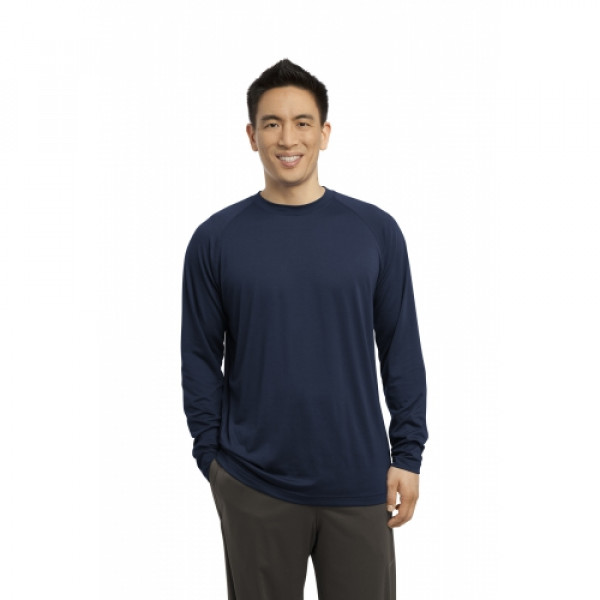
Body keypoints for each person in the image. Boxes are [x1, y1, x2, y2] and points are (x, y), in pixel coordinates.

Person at [180, 58, 428, 600]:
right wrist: (213, 461)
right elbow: (199, 357)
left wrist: (407, 455)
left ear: (325, 133)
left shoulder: (375, 231)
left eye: (302, 122)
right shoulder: (216, 239)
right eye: (271, 123)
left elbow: (401, 349)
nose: (287, 138)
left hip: (360, 480)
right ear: (252, 136)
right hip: (254, 482)